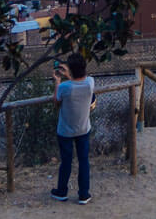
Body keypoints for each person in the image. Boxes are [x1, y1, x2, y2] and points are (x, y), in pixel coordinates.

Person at [51, 53, 96, 204]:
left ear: (70, 70)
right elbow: (78, 84)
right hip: (83, 129)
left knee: (66, 162)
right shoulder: (90, 82)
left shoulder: (64, 87)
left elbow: (57, 102)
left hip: (65, 131)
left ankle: (62, 192)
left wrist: (57, 80)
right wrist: (70, 74)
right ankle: (84, 194)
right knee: (84, 161)